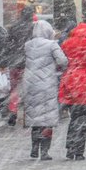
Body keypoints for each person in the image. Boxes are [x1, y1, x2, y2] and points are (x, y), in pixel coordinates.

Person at [19, 19, 68, 160]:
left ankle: (34, 148)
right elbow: (62, 61)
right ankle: (45, 152)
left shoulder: (27, 45)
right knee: (47, 119)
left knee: (35, 117)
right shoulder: (52, 45)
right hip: (47, 84)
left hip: (30, 84)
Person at [59, 21, 86, 160]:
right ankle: (79, 151)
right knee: (83, 119)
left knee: (74, 117)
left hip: (71, 81)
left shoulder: (67, 42)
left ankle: (70, 148)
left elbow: (62, 61)